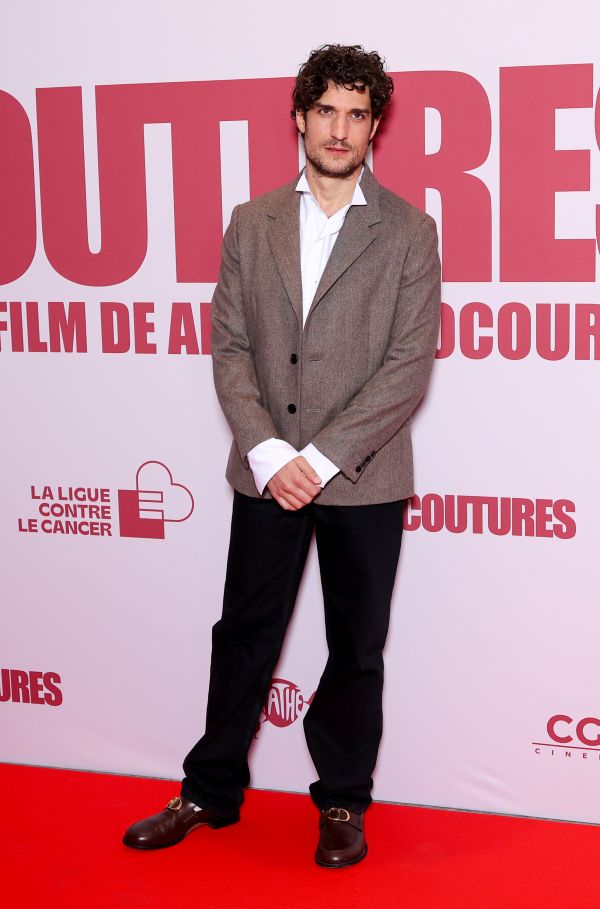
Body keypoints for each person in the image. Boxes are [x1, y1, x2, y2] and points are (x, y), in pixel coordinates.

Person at [123, 43, 441, 868]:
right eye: (326, 109)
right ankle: (209, 790)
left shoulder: (410, 231)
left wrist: (322, 456)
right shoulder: (251, 221)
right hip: (267, 473)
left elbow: (408, 365)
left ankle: (343, 798)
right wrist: (270, 452)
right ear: (300, 116)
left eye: (357, 114)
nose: (340, 128)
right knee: (243, 634)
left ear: (374, 127)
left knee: (356, 648)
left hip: (365, 476)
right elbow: (230, 347)